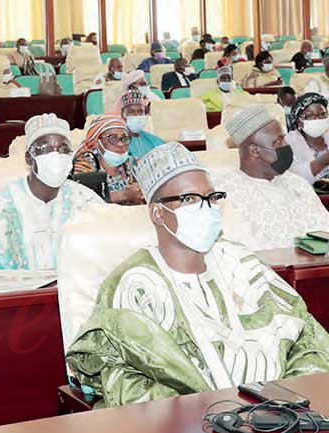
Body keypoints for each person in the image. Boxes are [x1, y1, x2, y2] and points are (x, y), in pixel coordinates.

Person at [66, 142, 329, 408]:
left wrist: (291, 400)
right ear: (157, 212)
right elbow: (125, 380)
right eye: (188, 199)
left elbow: (306, 335)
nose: (206, 208)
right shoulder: (135, 284)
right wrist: (212, 415)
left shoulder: (240, 262)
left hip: (288, 420)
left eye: (212, 198)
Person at [0, 113, 103, 274]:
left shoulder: (85, 200)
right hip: (15, 295)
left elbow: (108, 250)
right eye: (45, 149)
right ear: (29, 158)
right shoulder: (1, 207)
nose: (56, 155)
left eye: (64, 149)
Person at [215, 105, 329, 250]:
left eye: (284, 140)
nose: (286, 146)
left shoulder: (296, 182)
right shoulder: (228, 192)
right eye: (278, 141)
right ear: (255, 150)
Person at [73, 114, 144, 205]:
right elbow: (80, 199)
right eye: (113, 139)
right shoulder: (86, 164)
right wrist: (123, 195)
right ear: (97, 143)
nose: (120, 144)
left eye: (124, 138)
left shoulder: (133, 163)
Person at [286, 93, 329, 184]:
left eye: (322, 114)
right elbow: (292, 178)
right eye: (310, 116)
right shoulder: (288, 143)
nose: (317, 119)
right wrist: (322, 161)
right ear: (299, 122)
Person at [120, 89, 165, 159]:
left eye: (140, 112)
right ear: (123, 115)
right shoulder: (119, 142)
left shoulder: (151, 139)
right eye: (131, 112)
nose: (136, 115)